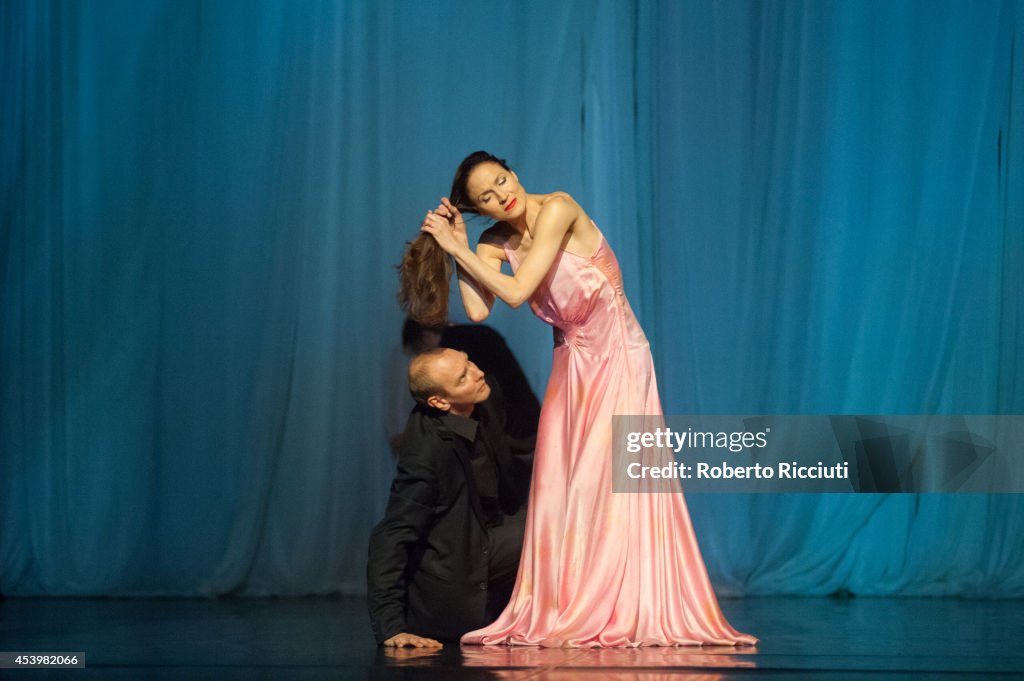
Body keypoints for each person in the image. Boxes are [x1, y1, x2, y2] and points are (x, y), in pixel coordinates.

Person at [400, 151, 757, 647]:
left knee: (608, 480)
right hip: (572, 362)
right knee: (562, 484)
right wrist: (461, 248)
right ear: (479, 209)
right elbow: (479, 310)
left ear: (513, 172)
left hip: (619, 357)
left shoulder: (559, 208)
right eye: (486, 197)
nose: (502, 194)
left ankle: (616, 603)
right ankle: (572, 601)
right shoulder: (494, 240)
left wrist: (457, 250)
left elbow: (519, 290)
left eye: (502, 180)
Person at [367, 347, 533, 647]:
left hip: (491, 528)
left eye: (469, 361)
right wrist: (390, 628)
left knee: (567, 518)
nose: (477, 373)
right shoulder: (427, 453)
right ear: (439, 401)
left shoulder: (483, 396)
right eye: (462, 377)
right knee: (546, 537)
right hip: (459, 563)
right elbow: (391, 535)